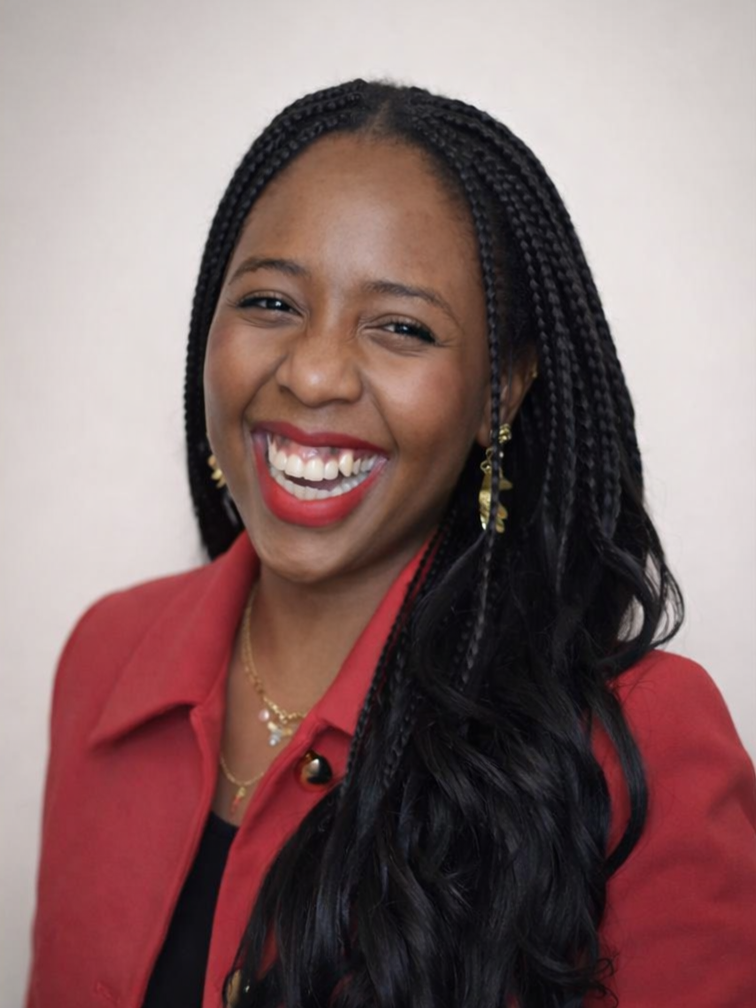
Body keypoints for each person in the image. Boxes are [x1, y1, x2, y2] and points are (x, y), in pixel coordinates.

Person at [27, 80, 756, 1008]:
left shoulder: (636, 739)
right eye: (270, 303)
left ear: (504, 390)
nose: (315, 371)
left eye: (402, 326)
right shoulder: (106, 657)